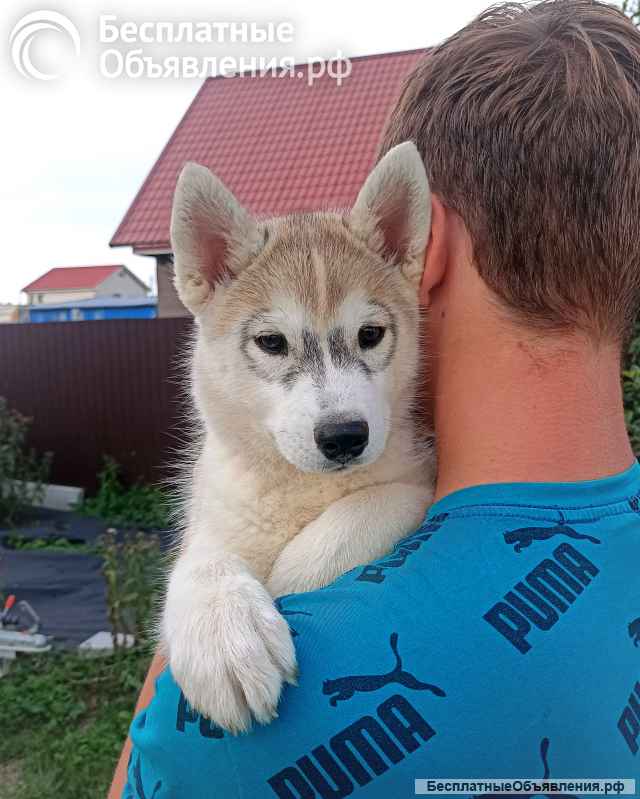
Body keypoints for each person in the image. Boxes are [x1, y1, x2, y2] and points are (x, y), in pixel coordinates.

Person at [117, 1, 640, 796]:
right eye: (276, 347)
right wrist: (207, 576)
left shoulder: (221, 734)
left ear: (421, 250)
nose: (338, 401)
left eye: (368, 338)